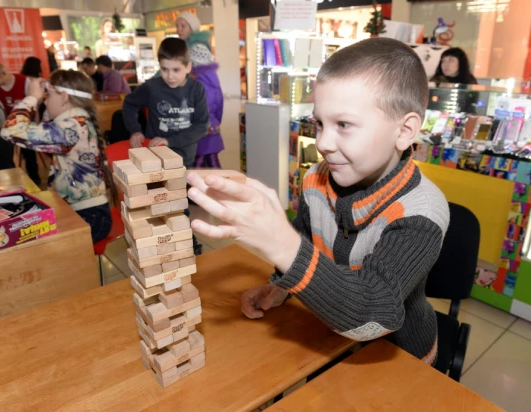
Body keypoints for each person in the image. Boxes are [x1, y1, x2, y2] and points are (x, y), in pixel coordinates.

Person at [186, 38, 450, 364]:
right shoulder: (316, 178)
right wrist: (281, 286)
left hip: (398, 358)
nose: (323, 142)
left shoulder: (422, 211)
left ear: (405, 130)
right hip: (325, 335)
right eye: (319, 123)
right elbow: (306, 239)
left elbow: (373, 315)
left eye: (344, 125)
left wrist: (282, 245)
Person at [0, 70, 112, 243]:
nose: (45, 100)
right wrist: (46, 92)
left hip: (88, 216)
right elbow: (46, 120)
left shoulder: (70, 128)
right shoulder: (76, 122)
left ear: (64, 97)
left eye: (48, 96)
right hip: (89, 212)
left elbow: (10, 130)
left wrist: (32, 98)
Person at [123, 37, 209, 255]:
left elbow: (201, 125)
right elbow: (129, 104)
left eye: (176, 70)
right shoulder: (152, 87)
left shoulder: (196, 89)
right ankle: (164, 243)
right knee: (158, 201)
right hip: (155, 158)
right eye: (164, 69)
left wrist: (171, 141)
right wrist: (135, 129)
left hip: (183, 156)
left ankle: (188, 243)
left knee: (178, 201)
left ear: (188, 67)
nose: (170, 76)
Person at [0, 62, 41, 184]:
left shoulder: (24, 82)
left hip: (24, 125)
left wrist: (35, 124)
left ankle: (35, 180)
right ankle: (14, 182)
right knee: (5, 157)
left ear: (1, 76)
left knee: (29, 154)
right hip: (6, 127)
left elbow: (34, 104)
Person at [189, 37, 224, 168]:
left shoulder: (195, 84)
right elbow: (220, 105)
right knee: (211, 159)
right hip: (213, 127)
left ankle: (192, 185)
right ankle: (220, 186)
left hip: (199, 128)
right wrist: (216, 122)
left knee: (199, 162)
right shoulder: (215, 81)